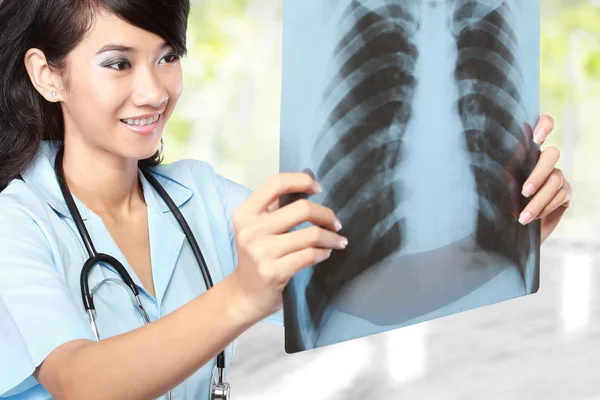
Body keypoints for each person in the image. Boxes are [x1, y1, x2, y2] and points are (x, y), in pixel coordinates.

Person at [0, 0, 572, 399]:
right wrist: (242, 296)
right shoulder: (17, 221)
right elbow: (81, 383)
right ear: (47, 76)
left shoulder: (200, 197)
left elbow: (364, 290)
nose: (153, 90)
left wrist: (510, 232)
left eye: (168, 55)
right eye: (118, 63)